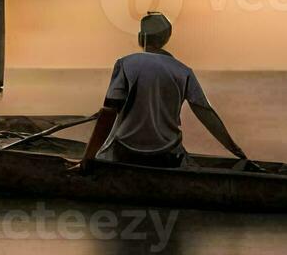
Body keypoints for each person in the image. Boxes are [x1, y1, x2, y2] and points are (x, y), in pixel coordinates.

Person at [68, 12, 247, 172]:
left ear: (140, 38)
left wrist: (88, 159)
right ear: (167, 38)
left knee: (105, 151)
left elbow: (109, 113)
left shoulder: (126, 63)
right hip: (166, 155)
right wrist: (237, 151)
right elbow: (206, 113)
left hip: (125, 152)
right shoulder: (183, 71)